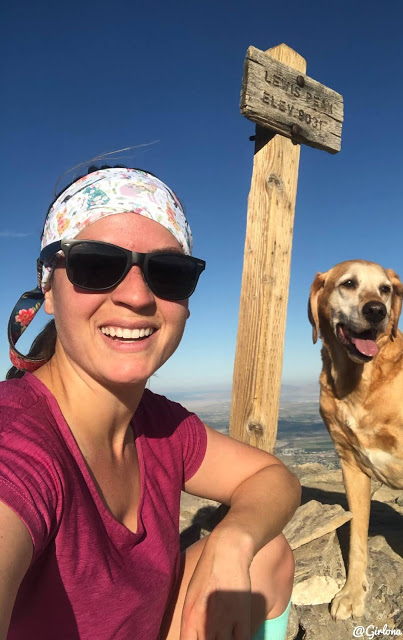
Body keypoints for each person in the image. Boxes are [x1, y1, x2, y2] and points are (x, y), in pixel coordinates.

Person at [0, 166, 301, 640]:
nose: (138, 295)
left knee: (265, 553)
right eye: (95, 266)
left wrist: (232, 539)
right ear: (48, 291)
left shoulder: (159, 424)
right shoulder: (16, 440)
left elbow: (273, 477)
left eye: (168, 273)